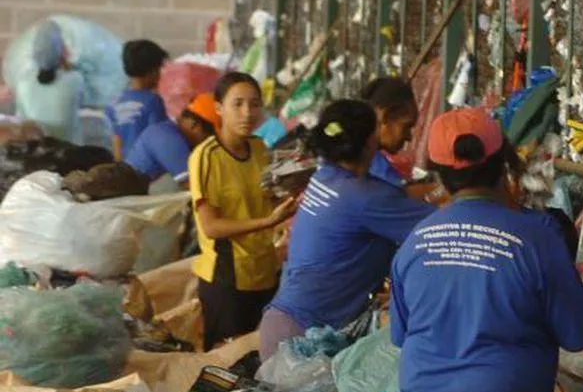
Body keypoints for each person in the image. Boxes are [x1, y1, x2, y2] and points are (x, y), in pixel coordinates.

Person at [390, 107, 583, 392]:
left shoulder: (414, 242)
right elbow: (578, 335)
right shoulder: (538, 239)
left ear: (438, 174)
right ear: (503, 163)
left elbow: (402, 336)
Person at [258, 99, 434, 361]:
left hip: (282, 326)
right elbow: (445, 226)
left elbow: (394, 198)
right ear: (371, 142)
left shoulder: (325, 176)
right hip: (303, 343)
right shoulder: (364, 197)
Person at [189, 72, 296, 351]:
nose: (247, 113)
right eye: (237, 104)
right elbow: (211, 227)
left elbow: (267, 198)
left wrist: (286, 202)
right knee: (225, 365)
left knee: (257, 360)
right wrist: (267, 221)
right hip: (227, 280)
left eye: (254, 104)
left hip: (265, 272)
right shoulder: (207, 156)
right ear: (218, 108)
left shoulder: (261, 149)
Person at [125, 93, 219, 184]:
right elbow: (194, 185)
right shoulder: (167, 137)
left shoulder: (169, 132)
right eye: (209, 136)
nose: (209, 142)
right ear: (194, 125)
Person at [107, 39, 169, 159]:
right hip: (147, 168)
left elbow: (116, 142)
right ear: (152, 71)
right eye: (159, 69)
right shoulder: (153, 102)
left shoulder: (114, 102)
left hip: (123, 168)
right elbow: (159, 139)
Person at [362, 76, 419, 188]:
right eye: (407, 127)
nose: (409, 137)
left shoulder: (348, 156)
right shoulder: (379, 174)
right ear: (386, 115)